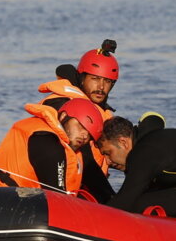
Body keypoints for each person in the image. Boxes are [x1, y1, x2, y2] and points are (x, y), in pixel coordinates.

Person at [37, 40, 121, 202]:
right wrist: (112, 200)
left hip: (80, 189)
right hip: (51, 189)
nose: (101, 87)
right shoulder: (63, 106)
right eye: (95, 79)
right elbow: (86, 159)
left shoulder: (100, 111)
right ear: (82, 78)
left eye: (107, 81)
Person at [0, 98, 105, 195]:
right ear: (64, 116)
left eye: (89, 134)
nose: (83, 135)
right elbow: (58, 198)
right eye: (80, 126)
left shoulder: (75, 151)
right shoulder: (47, 144)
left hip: (11, 200)